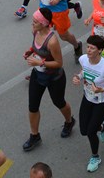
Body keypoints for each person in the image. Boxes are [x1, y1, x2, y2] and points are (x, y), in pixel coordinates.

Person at [23, 9, 76, 153]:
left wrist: (39, 63)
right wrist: (30, 51)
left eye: (35, 21)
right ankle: (35, 135)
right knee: (32, 106)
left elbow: (59, 63)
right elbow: (35, 46)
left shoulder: (52, 41)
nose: (32, 23)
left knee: (59, 102)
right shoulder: (35, 31)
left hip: (55, 77)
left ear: (44, 23)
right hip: (38, 75)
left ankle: (69, 121)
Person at [72, 34, 104, 173]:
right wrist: (78, 77)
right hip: (87, 98)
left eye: (92, 48)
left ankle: (95, 157)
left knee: (90, 132)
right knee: (83, 130)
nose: (88, 50)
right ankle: (103, 127)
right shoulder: (83, 59)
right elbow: (84, 71)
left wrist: (103, 89)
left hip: (102, 102)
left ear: (99, 50)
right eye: (87, 47)